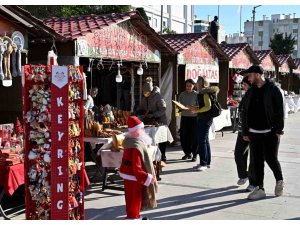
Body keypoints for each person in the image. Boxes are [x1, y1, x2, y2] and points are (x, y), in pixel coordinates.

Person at [241, 65, 285, 200]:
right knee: (256, 161)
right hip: (254, 132)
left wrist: (278, 130)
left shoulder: (273, 90)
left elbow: (279, 111)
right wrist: (245, 131)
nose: (248, 78)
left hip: (270, 132)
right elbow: (244, 111)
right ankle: (260, 189)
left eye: (250, 75)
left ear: (258, 75)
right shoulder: (250, 91)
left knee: (271, 158)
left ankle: (279, 181)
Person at [119, 116, 158, 219]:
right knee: (135, 200)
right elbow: (136, 167)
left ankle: (132, 216)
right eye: (141, 129)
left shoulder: (128, 142)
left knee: (130, 199)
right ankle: (133, 217)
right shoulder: (136, 146)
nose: (143, 131)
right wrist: (147, 177)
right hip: (133, 177)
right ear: (136, 131)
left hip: (128, 175)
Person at [191, 76, 219, 171]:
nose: (196, 83)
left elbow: (208, 106)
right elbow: (205, 105)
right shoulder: (204, 92)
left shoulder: (204, 93)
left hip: (204, 119)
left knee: (202, 141)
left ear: (201, 83)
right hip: (205, 118)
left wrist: (198, 110)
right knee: (205, 140)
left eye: (197, 82)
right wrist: (196, 108)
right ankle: (207, 162)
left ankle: (203, 163)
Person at [138, 77, 168, 162]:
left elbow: (163, 109)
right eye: (144, 92)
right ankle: (150, 156)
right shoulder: (145, 97)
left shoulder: (158, 96)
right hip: (149, 120)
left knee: (161, 139)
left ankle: (163, 155)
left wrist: (153, 114)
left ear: (150, 91)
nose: (145, 94)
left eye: (147, 92)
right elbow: (141, 106)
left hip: (160, 119)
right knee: (149, 138)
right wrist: (137, 111)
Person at [234, 76, 255, 192]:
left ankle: (253, 183)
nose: (243, 86)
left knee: (253, 159)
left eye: (245, 84)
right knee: (238, 154)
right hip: (242, 131)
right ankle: (243, 175)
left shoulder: (254, 96)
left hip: (252, 132)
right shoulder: (246, 95)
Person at [178, 79, 198, 161]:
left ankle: (195, 155)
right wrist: (179, 107)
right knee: (184, 136)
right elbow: (179, 104)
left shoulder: (196, 95)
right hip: (184, 117)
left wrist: (192, 107)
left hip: (194, 118)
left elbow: (199, 106)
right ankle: (187, 153)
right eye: (187, 85)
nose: (188, 87)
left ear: (193, 86)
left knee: (193, 137)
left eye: (190, 85)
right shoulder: (182, 94)